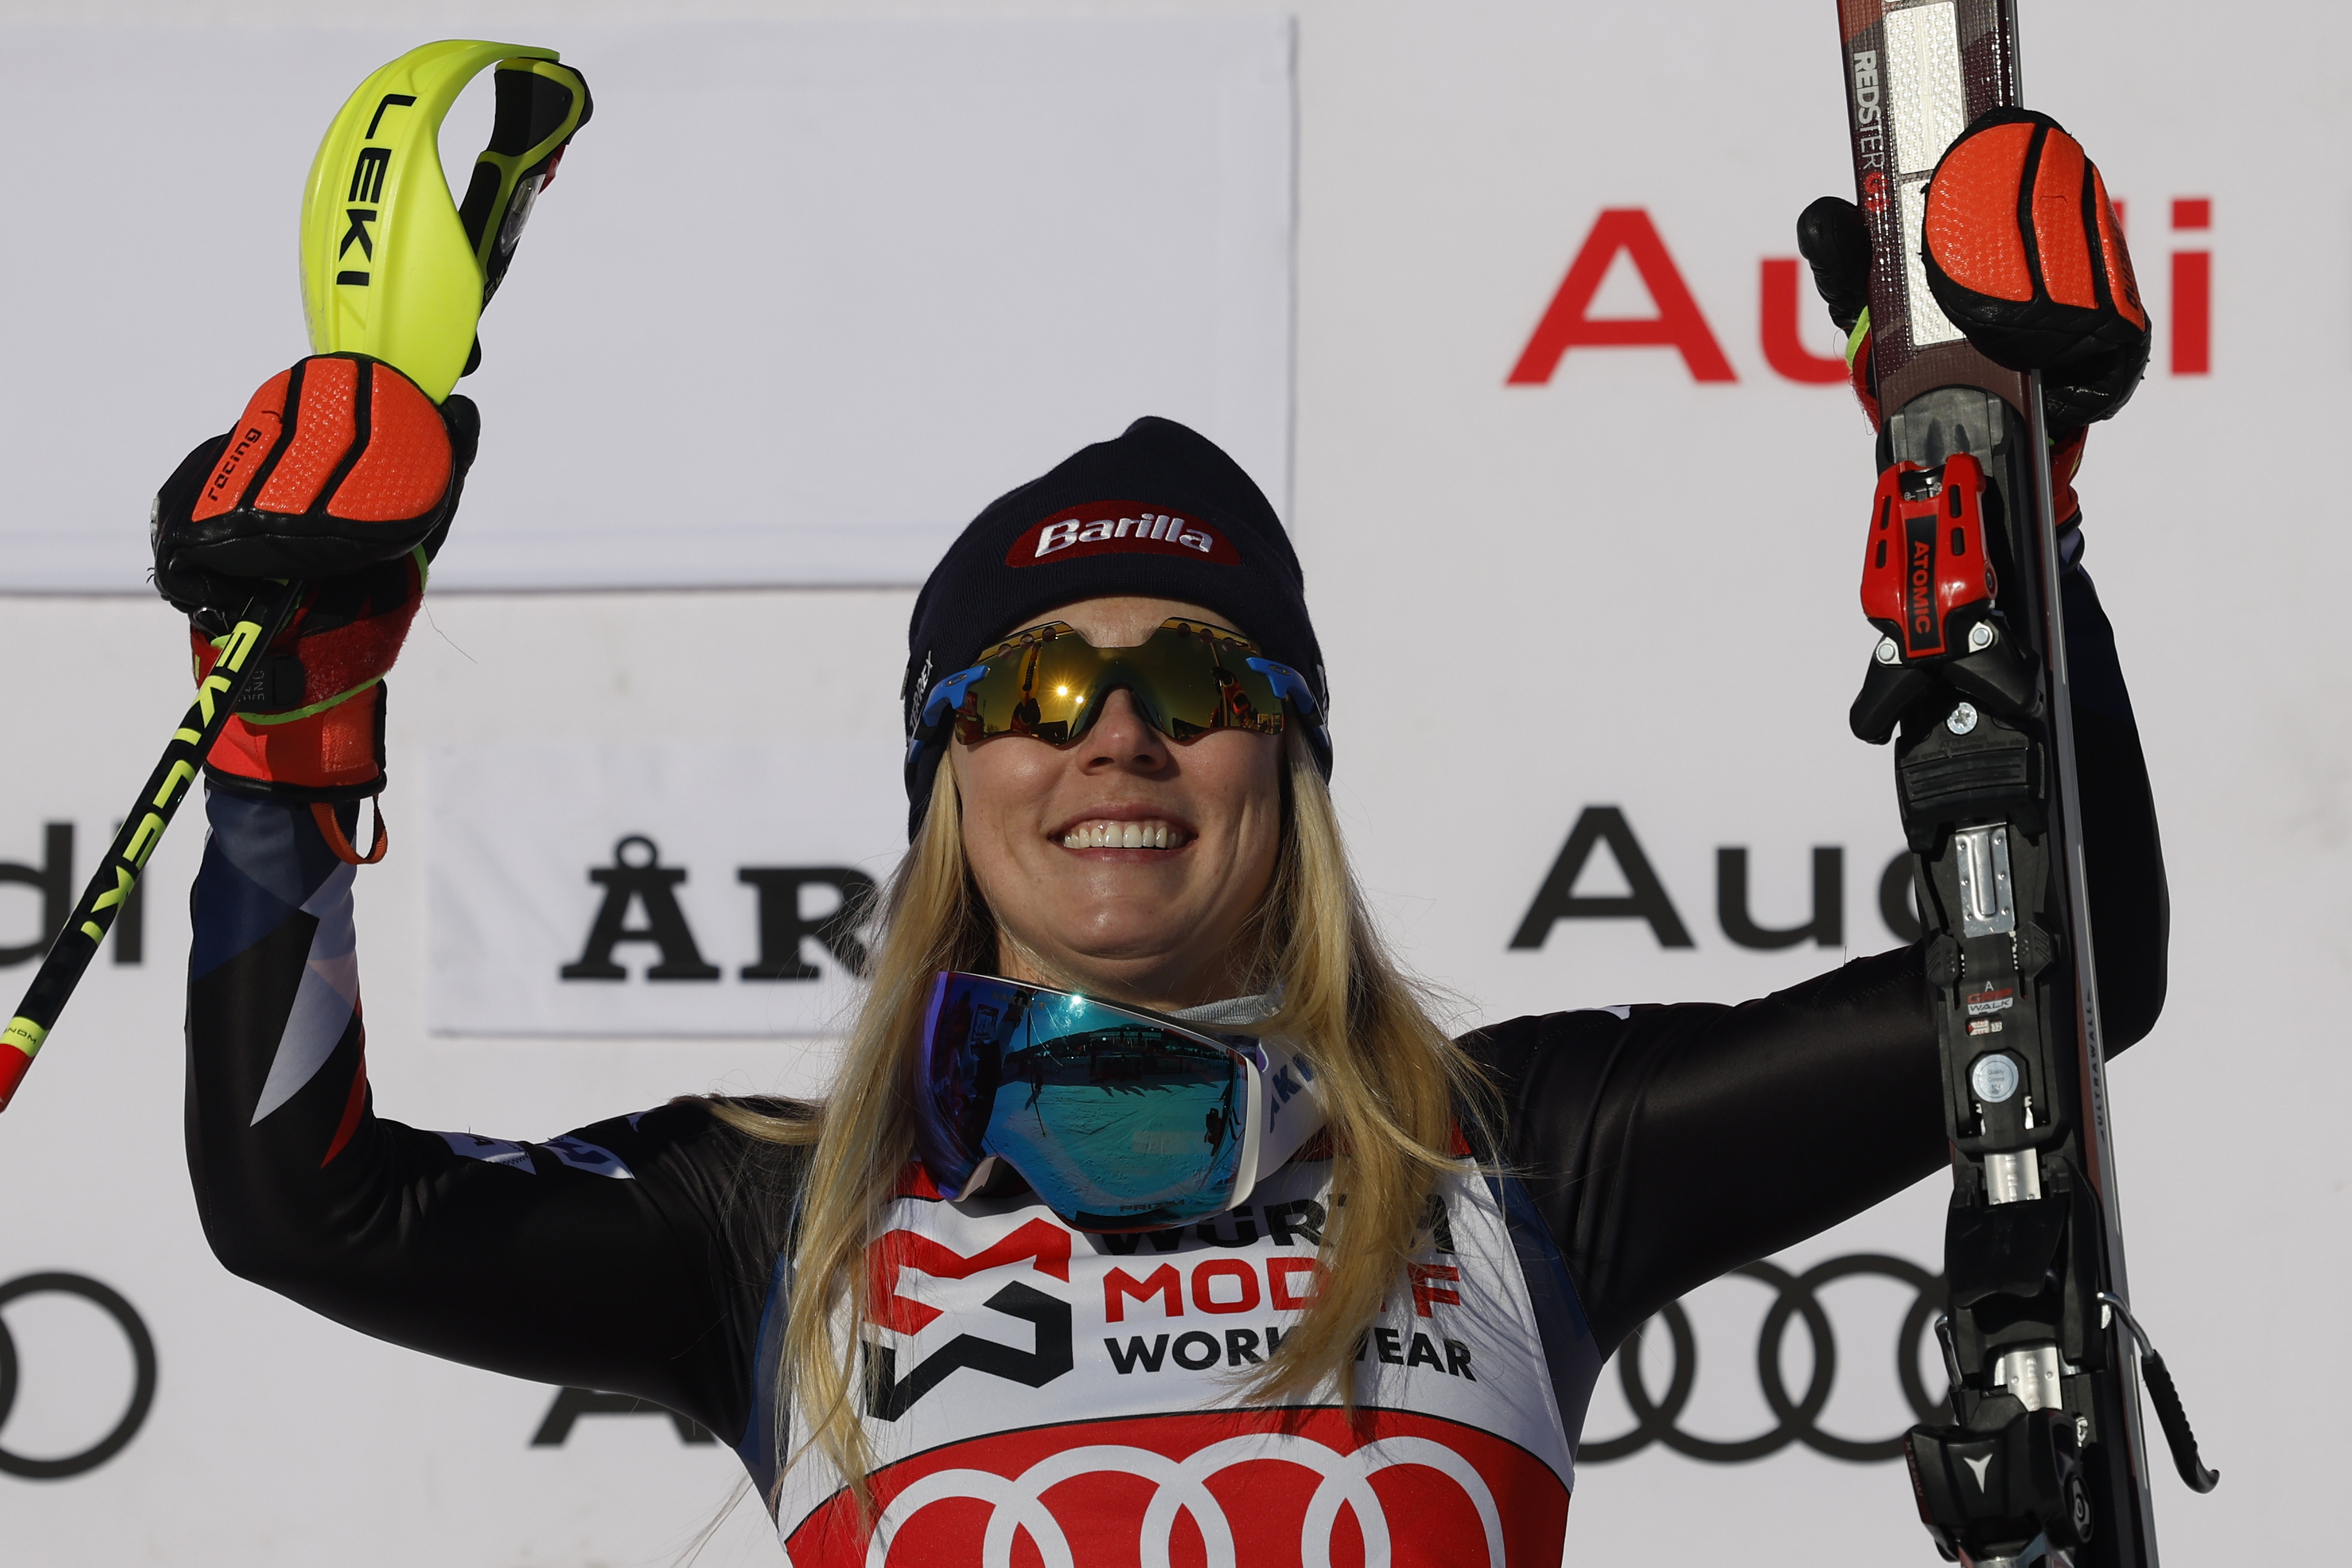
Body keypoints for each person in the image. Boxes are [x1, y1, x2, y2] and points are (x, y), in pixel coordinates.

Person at [162, 113, 2162, 1563]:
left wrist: (2017, 508)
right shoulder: (775, 1221)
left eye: (1198, 686)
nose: (1115, 732)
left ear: (1284, 764)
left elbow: (2058, 990)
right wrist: (289, 733)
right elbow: (298, 1201)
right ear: (948, 774)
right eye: (1035, 691)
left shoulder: (1514, 1155)